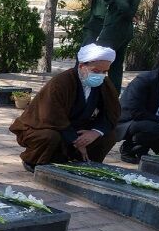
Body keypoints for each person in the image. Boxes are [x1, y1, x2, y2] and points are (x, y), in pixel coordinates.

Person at [9, 44, 121, 172]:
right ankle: (34, 161)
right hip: (46, 126)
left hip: (76, 128)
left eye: (104, 72)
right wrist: (75, 140)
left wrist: (95, 132)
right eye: (96, 71)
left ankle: (84, 162)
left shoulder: (103, 84)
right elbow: (51, 116)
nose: (100, 75)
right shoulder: (61, 82)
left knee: (108, 135)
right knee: (50, 136)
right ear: (82, 66)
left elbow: (111, 112)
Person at [95, 0, 141, 92]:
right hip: (125, 32)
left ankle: (93, 91)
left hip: (113, 31)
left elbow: (124, 8)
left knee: (96, 60)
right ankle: (113, 94)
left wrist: (131, 15)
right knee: (116, 65)